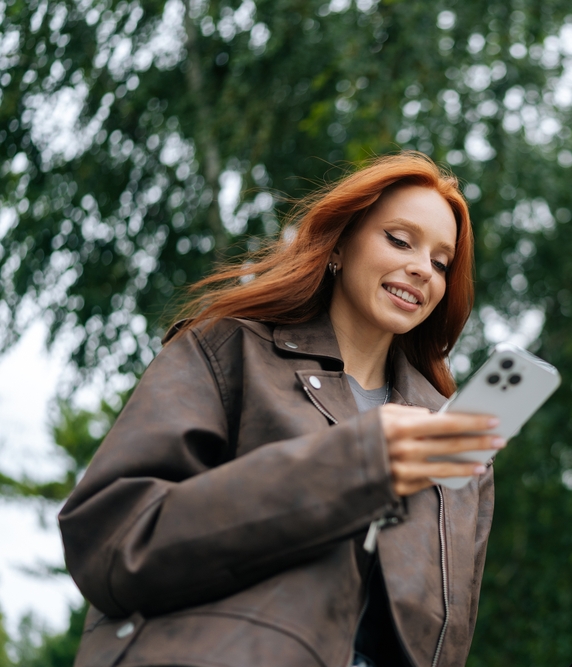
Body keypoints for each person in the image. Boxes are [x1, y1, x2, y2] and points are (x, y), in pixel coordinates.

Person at [58, 152, 501, 667]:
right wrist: (357, 462)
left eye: (441, 263)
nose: (422, 268)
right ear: (339, 245)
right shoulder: (227, 351)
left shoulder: (449, 438)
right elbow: (114, 543)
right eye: (400, 240)